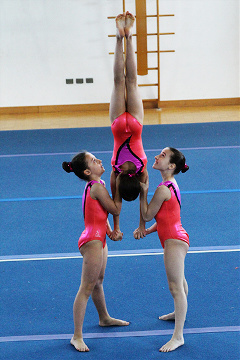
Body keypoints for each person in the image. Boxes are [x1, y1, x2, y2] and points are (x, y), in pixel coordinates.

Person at [62, 151, 129, 352]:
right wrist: (120, 188)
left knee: (98, 282)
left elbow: (99, 213)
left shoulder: (95, 186)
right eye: (94, 160)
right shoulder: (97, 187)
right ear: (87, 171)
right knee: (86, 288)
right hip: (92, 240)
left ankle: (104, 318)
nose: (99, 160)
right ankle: (77, 336)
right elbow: (115, 209)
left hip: (99, 237)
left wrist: (109, 231)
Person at [139, 147, 189, 352]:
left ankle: (178, 337)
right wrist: (149, 232)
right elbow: (166, 217)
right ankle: (179, 314)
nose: (156, 156)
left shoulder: (162, 189)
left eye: (162, 155)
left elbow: (148, 214)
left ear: (171, 166)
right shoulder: (170, 184)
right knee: (181, 282)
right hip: (176, 235)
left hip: (173, 240)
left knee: (175, 287)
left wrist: (143, 193)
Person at [110, 11, 148, 240]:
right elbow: (116, 204)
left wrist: (142, 224)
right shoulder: (115, 172)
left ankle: (129, 37)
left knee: (130, 82)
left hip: (134, 125)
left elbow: (143, 196)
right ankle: (119, 37)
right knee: (119, 82)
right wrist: (117, 228)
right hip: (117, 126)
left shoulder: (142, 172)